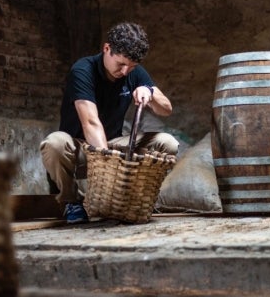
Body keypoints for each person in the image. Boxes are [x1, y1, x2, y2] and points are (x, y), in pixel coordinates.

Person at [40, 22, 179, 224]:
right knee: (54, 143)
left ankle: (135, 198)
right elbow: (90, 122)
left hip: (114, 141)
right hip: (80, 145)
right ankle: (72, 201)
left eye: (131, 66)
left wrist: (149, 93)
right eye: (121, 64)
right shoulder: (83, 70)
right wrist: (108, 171)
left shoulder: (134, 72)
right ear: (107, 49)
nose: (125, 71)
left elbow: (166, 109)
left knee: (167, 142)